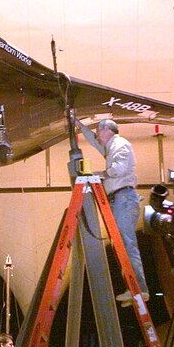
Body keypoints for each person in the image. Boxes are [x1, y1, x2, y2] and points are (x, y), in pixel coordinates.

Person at [75, 117, 149, 306]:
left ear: (107, 130)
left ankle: (139, 288)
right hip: (121, 199)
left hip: (123, 199)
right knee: (123, 245)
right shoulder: (111, 147)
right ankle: (133, 288)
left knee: (127, 244)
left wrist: (101, 174)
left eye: (99, 132)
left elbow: (118, 169)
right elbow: (94, 141)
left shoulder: (120, 144)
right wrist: (79, 125)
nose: (98, 136)